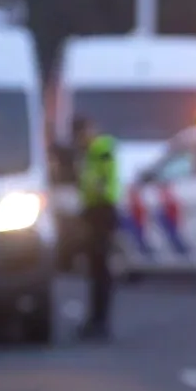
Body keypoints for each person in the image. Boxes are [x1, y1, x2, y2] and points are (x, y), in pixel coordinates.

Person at [74, 116, 120, 341]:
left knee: (100, 271)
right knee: (95, 271)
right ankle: (95, 320)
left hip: (102, 212)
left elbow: (101, 181)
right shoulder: (92, 152)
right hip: (94, 212)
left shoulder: (100, 149)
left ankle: (100, 322)